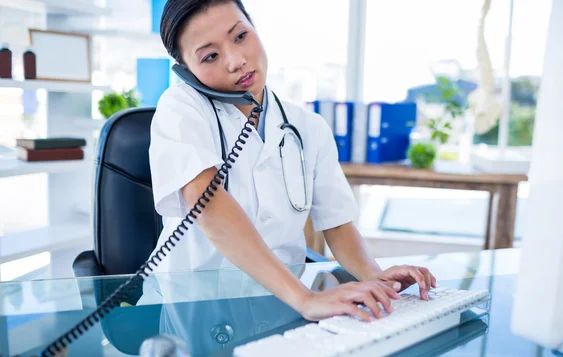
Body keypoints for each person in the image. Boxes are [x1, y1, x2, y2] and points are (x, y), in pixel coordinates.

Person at [149, 0, 437, 322]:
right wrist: (305, 298)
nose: (236, 61)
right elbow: (208, 204)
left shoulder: (308, 126)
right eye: (210, 56)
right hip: (199, 310)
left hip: (280, 307)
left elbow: (337, 222)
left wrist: (376, 276)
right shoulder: (180, 108)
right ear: (186, 71)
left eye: (240, 36)